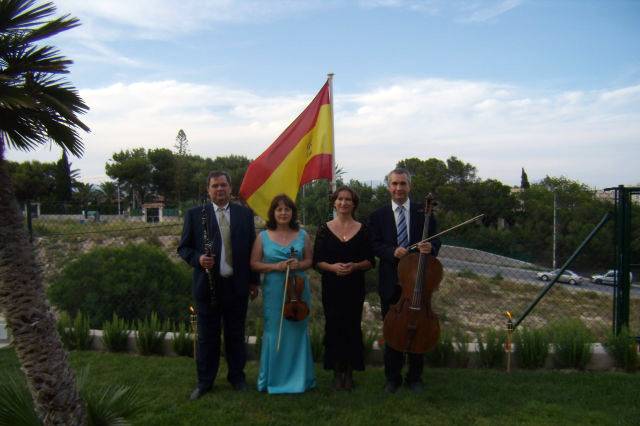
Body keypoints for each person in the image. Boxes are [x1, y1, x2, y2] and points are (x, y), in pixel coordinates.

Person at [178, 171, 259, 400]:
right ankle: (205, 382)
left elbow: (253, 249)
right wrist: (198, 260)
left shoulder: (244, 214)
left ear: (230, 188)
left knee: (235, 335)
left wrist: (254, 281)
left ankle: (237, 378)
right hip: (208, 287)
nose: (219, 190)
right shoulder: (194, 215)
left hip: (237, 286)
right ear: (208, 190)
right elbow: (183, 248)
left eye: (223, 185)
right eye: (215, 186)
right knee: (207, 338)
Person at [368, 168, 441, 393]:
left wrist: (431, 248)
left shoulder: (423, 213)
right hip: (392, 282)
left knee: (420, 330)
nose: (398, 188)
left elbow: (437, 241)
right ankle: (392, 378)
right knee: (393, 331)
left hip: (419, 284)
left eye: (402, 184)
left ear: (409, 186)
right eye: (394, 184)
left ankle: (415, 378)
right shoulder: (378, 215)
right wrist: (392, 252)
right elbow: (373, 244)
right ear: (388, 186)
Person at [250, 194, 316, 394]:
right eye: (279, 209)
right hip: (274, 290)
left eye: (287, 209)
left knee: (296, 331)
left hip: (297, 289)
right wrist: (276, 266)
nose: (283, 213)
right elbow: (254, 263)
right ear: (273, 212)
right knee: (274, 332)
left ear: (292, 213)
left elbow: (309, 261)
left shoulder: (303, 235)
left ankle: (300, 379)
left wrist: (299, 264)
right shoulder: (262, 237)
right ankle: (273, 379)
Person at [313, 186, 375, 390]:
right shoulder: (324, 229)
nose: (344, 202)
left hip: (354, 287)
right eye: (340, 199)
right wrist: (332, 267)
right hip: (332, 286)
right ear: (334, 202)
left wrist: (354, 266)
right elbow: (317, 261)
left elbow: (370, 261)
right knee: (334, 327)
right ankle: (336, 372)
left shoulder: (363, 229)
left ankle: (349, 372)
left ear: (354, 204)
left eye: (348, 199)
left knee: (351, 327)